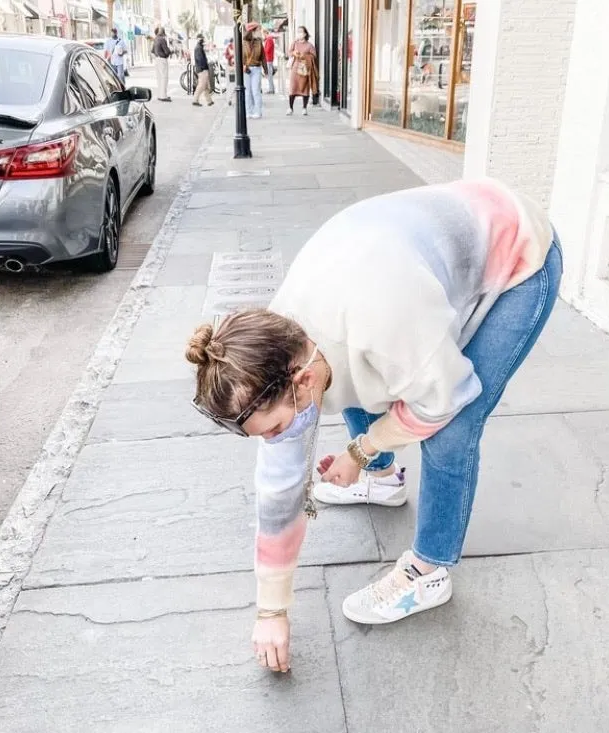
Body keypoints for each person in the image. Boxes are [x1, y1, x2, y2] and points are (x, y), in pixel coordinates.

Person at [187, 179, 562, 673]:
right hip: (409, 262)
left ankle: (430, 569)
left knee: (453, 429)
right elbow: (279, 490)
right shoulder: (276, 343)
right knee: (349, 380)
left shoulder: (384, 322)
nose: (279, 441)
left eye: (276, 428)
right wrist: (270, 612)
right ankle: (382, 480)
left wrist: (359, 451)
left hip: (518, 254)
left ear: (297, 380)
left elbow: (442, 400)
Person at [287, 26, 317, 116]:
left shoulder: (309, 45)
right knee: (293, 88)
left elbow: (313, 56)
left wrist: (305, 55)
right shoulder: (295, 43)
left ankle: (304, 108)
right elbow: (289, 52)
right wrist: (293, 53)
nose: (299, 33)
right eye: (298, 31)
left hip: (305, 68)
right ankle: (290, 108)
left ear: (305, 34)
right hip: (295, 68)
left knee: (305, 88)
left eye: (301, 32)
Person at [243, 22, 268, 119]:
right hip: (247, 70)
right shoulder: (243, 43)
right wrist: (243, 66)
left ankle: (258, 112)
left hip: (256, 68)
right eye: (258, 30)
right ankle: (248, 111)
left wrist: (266, 70)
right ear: (252, 31)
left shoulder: (259, 42)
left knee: (256, 91)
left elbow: (263, 58)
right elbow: (240, 58)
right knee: (247, 92)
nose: (260, 32)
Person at [192, 33, 214, 108]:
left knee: (205, 86)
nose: (203, 40)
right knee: (201, 85)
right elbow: (201, 60)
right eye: (202, 39)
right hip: (202, 69)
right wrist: (204, 68)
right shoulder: (198, 48)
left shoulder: (199, 47)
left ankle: (209, 101)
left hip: (202, 69)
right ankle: (195, 100)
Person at [152, 27, 172, 102]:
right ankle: (163, 96)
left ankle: (160, 95)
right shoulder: (162, 40)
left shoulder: (155, 39)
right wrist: (170, 51)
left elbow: (152, 51)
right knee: (164, 78)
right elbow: (166, 51)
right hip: (162, 59)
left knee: (159, 78)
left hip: (157, 59)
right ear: (163, 33)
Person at [264, 30, 276, 95]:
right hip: (269, 59)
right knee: (269, 75)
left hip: (268, 59)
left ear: (266, 33)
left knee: (269, 75)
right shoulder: (269, 39)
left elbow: (267, 50)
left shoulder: (269, 39)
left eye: (264, 34)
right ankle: (272, 89)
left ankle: (271, 89)